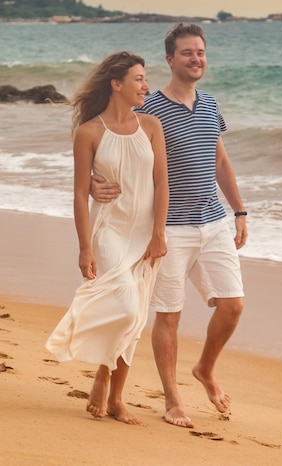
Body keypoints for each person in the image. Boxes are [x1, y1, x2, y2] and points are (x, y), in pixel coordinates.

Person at [91, 24, 248, 428]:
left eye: (200, 52)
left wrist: (240, 211)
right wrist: (93, 179)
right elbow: (110, 140)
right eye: (186, 53)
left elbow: (220, 161)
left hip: (212, 221)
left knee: (232, 306)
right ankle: (173, 399)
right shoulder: (149, 108)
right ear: (170, 60)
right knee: (169, 316)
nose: (196, 59)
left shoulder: (211, 104)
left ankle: (205, 370)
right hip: (168, 228)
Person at [46, 51, 168, 425]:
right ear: (117, 85)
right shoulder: (90, 132)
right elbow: (80, 194)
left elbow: (162, 183)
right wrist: (84, 247)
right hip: (110, 230)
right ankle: (102, 373)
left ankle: (115, 397)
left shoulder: (151, 126)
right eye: (138, 79)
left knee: (135, 318)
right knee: (128, 308)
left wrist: (159, 232)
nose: (145, 86)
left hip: (147, 233)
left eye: (145, 79)